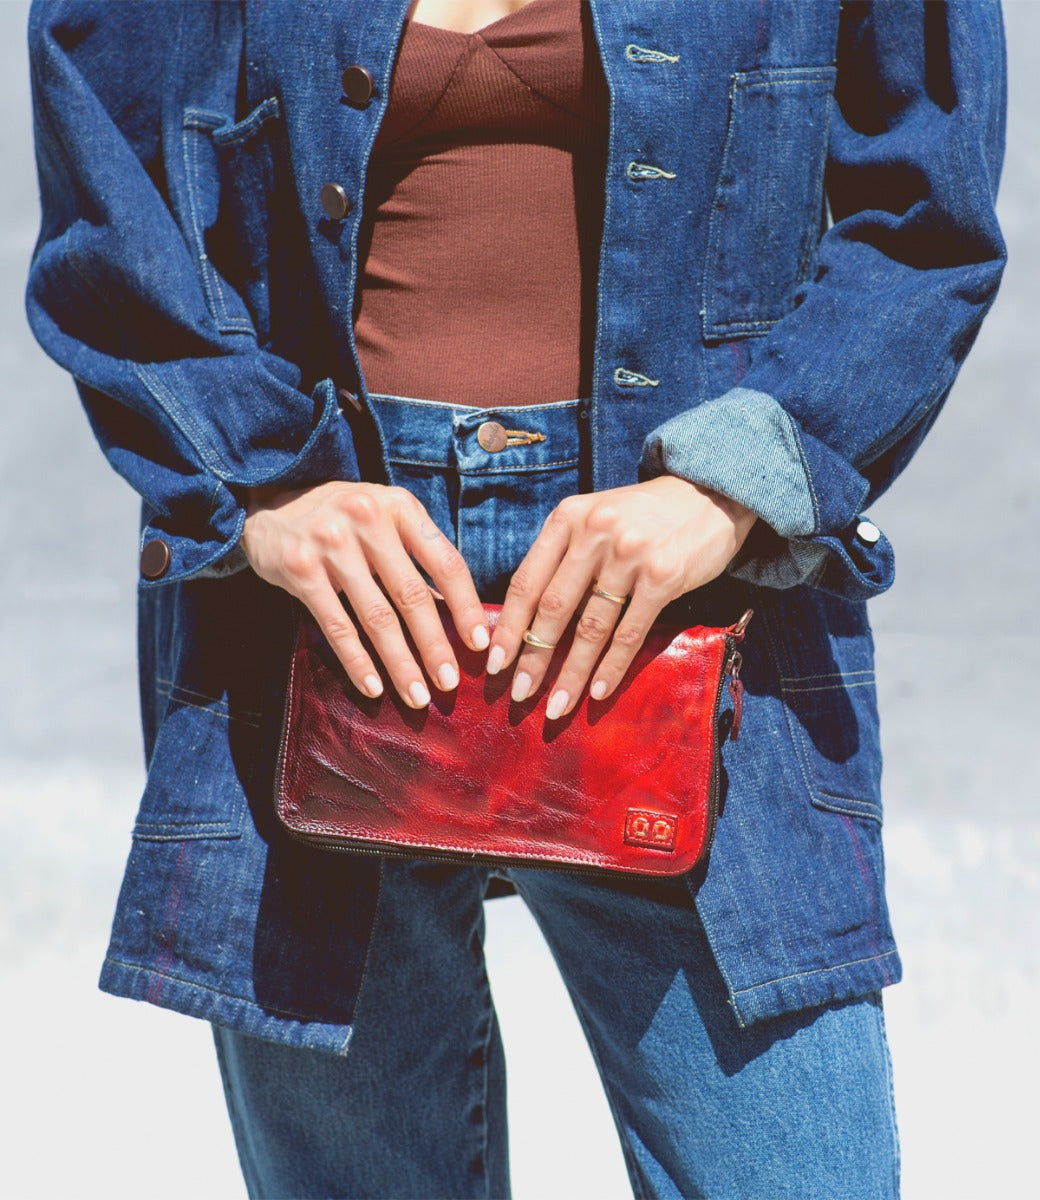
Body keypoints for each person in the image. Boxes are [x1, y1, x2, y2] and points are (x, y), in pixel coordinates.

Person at [26, 0, 1006, 1196]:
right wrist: (258, 479)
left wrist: (737, 482)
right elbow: (109, 191)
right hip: (328, 602)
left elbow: (927, 219)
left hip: (688, 594)